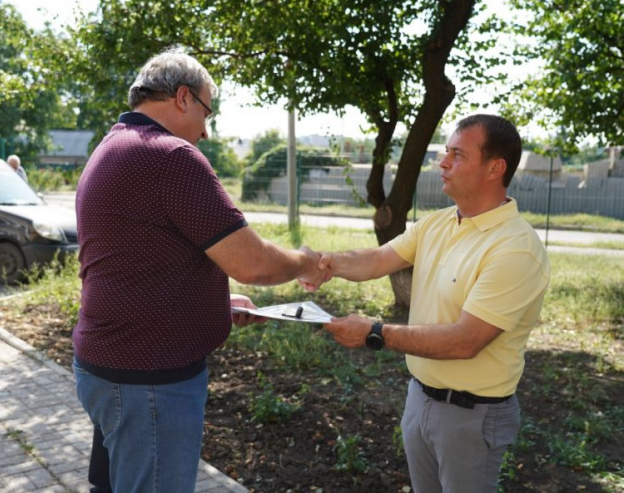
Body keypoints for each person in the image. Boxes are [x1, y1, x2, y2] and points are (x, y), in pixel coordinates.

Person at [73, 48, 325, 493]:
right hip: (149, 382)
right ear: (184, 98)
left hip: (111, 368)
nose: (207, 132)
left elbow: (132, 262)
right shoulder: (170, 156)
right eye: (209, 113)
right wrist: (306, 261)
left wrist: (212, 302)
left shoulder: (112, 147)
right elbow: (253, 263)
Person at [306, 114, 550, 492]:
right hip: (419, 398)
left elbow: (465, 340)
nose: (443, 162)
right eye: (445, 152)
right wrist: (326, 264)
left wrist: (375, 333)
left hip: (473, 416)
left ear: (495, 168)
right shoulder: (437, 223)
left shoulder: (516, 248)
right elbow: (377, 259)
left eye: (457, 154)